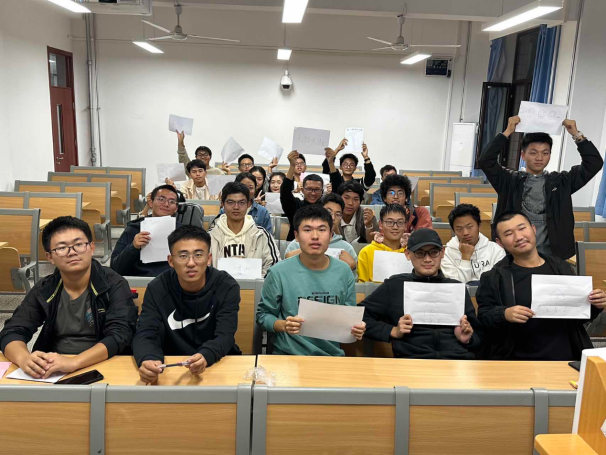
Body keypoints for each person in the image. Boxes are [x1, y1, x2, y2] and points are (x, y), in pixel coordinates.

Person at [0, 217, 137, 379]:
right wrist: (24, 359)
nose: (72, 252)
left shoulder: (114, 284)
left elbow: (120, 335)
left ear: (92, 247)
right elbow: (13, 330)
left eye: (79, 244)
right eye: (61, 247)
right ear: (50, 257)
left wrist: (74, 362)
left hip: (104, 363)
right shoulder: (45, 288)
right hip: (54, 367)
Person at [476, 211, 606, 361]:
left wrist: (595, 304)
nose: (518, 237)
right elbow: (483, 317)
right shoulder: (493, 277)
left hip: (564, 356)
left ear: (533, 229)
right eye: (509, 234)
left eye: (522, 228)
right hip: (515, 359)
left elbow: (578, 316)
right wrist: (504, 314)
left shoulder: (561, 268)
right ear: (500, 243)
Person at [478, 117, 603, 260]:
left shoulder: (561, 182)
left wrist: (576, 134)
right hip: (513, 256)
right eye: (533, 153)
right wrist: (507, 132)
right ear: (523, 155)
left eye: (545, 153)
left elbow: (594, 163)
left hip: (552, 256)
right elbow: (485, 161)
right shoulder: (508, 180)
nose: (539, 158)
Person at [133, 226, 241, 384]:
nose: (191, 263)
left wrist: (206, 355)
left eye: (198, 255)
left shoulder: (226, 286)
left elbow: (225, 335)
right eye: (183, 256)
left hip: (217, 361)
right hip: (171, 365)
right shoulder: (157, 288)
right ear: (171, 261)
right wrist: (148, 359)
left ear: (209, 258)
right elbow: (146, 332)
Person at [256, 205, 365, 356]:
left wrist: (356, 328)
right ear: (296, 235)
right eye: (307, 230)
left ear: (331, 235)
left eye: (322, 230)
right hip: (288, 355)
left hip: (331, 357)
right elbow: (263, 316)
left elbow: (348, 318)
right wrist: (284, 325)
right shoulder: (278, 272)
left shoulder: (344, 271)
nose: (315, 236)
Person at [361, 228, 482, 359]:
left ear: (442, 253)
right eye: (420, 253)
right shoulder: (395, 285)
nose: (427, 259)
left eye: (434, 252)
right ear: (408, 254)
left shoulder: (456, 288)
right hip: (412, 361)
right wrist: (392, 331)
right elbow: (360, 315)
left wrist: (468, 339)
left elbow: (479, 335)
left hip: (457, 360)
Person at [208, 182, 279, 277]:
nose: (236, 207)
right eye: (230, 202)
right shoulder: (210, 236)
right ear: (222, 204)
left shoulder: (262, 235)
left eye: (241, 203)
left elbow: (274, 266)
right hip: (219, 286)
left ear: (248, 204)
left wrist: (256, 282)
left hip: (255, 286)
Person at [111, 184, 181, 277]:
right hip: (140, 280)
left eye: (172, 201)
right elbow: (115, 268)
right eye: (161, 199)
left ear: (176, 208)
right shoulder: (133, 229)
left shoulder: (182, 232)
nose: (166, 204)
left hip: (172, 280)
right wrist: (133, 247)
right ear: (151, 203)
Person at [285, 193, 357, 273]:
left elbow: (352, 279)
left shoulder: (347, 248)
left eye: (338, 214)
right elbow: (286, 275)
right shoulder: (296, 245)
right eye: (328, 212)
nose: (333, 218)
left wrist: (351, 268)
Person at [441, 204, 505, 283]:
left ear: (479, 225)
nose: (465, 233)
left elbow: (499, 283)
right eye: (459, 229)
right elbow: (457, 286)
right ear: (454, 230)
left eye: (469, 227)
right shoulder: (447, 254)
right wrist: (465, 257)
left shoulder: (496, 250)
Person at [280, 151, 325, 241]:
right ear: (303, 190)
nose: (313, 193)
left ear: (322, 191)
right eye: (309, 189)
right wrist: (292, 166)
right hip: (296, 244)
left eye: (317, 190)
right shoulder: (295, 205)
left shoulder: (325, 208)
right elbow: (285, 192)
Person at [357, 204, 408, 283]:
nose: (395, 227)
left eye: (400, 222)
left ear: (405, 226)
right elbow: (363, 286)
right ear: (380, 224)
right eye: (390, 222)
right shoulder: (366, 252)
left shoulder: (412, 253)